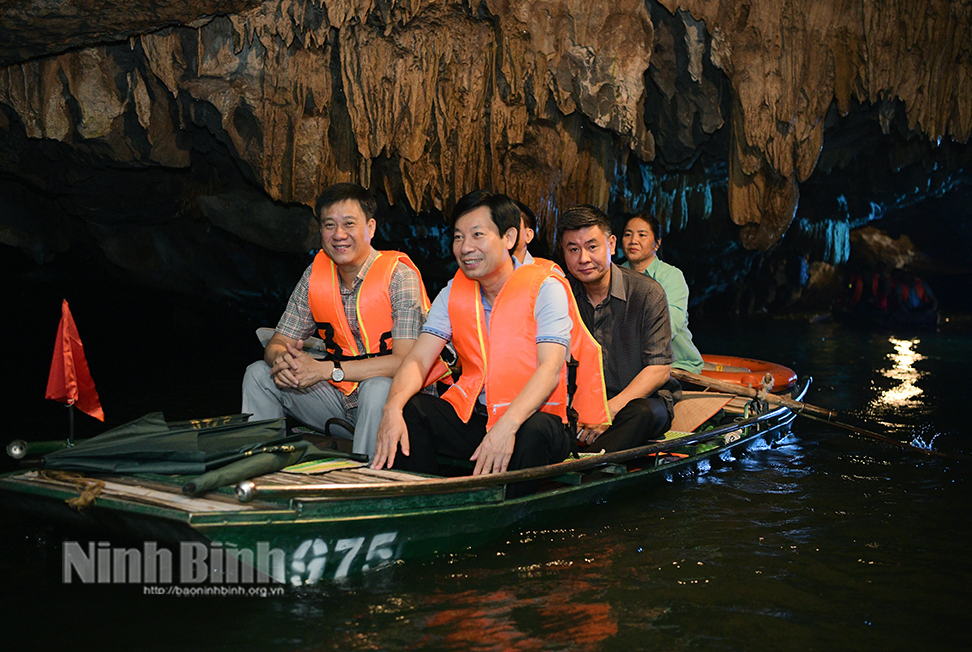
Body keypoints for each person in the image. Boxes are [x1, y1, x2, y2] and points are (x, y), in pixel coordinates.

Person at [372, 191, 601, 491]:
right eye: (458, 237)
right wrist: (391, 408)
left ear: (509, 238)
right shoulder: (453, 292)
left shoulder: (546, 287)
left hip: (537, 420)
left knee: (532, 432)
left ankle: (512, 520)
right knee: (413, 409)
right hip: (479, 419)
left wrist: (507, 425)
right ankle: (421, 501)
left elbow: (549, 367)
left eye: (477, 235)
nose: (466, 247)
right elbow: (418, 359)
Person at [242, 183, 440, 462]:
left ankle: (367, 479)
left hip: (397, 405)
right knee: (259, 374)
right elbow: (278, 341)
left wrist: (326, 370)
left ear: (370, 228)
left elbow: (405, 361)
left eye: (349, 224)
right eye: (329, 225)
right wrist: (282, 361)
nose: (339, 235)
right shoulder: (315, 274)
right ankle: (259, 469)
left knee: (377, 386)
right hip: (339, 399)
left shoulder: (399, 276)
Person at [558, 205, 680, 452]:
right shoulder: (559, 293)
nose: (583, 258)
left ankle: (586, 466)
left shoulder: (647, 293)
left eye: (592, 247)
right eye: (573, 249)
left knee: (644, 413)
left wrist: (608, 410)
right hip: (577, 405)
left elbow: (658, 369)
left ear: (611, 245)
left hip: (634, 401)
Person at [620, 213, 704, 373]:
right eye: (627, 234)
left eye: (642, 235)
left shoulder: (671, 276)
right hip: (630, 367)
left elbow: (668, 326)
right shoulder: (615, 275)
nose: (633, 241)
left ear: (657, 243)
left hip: (676, 366)